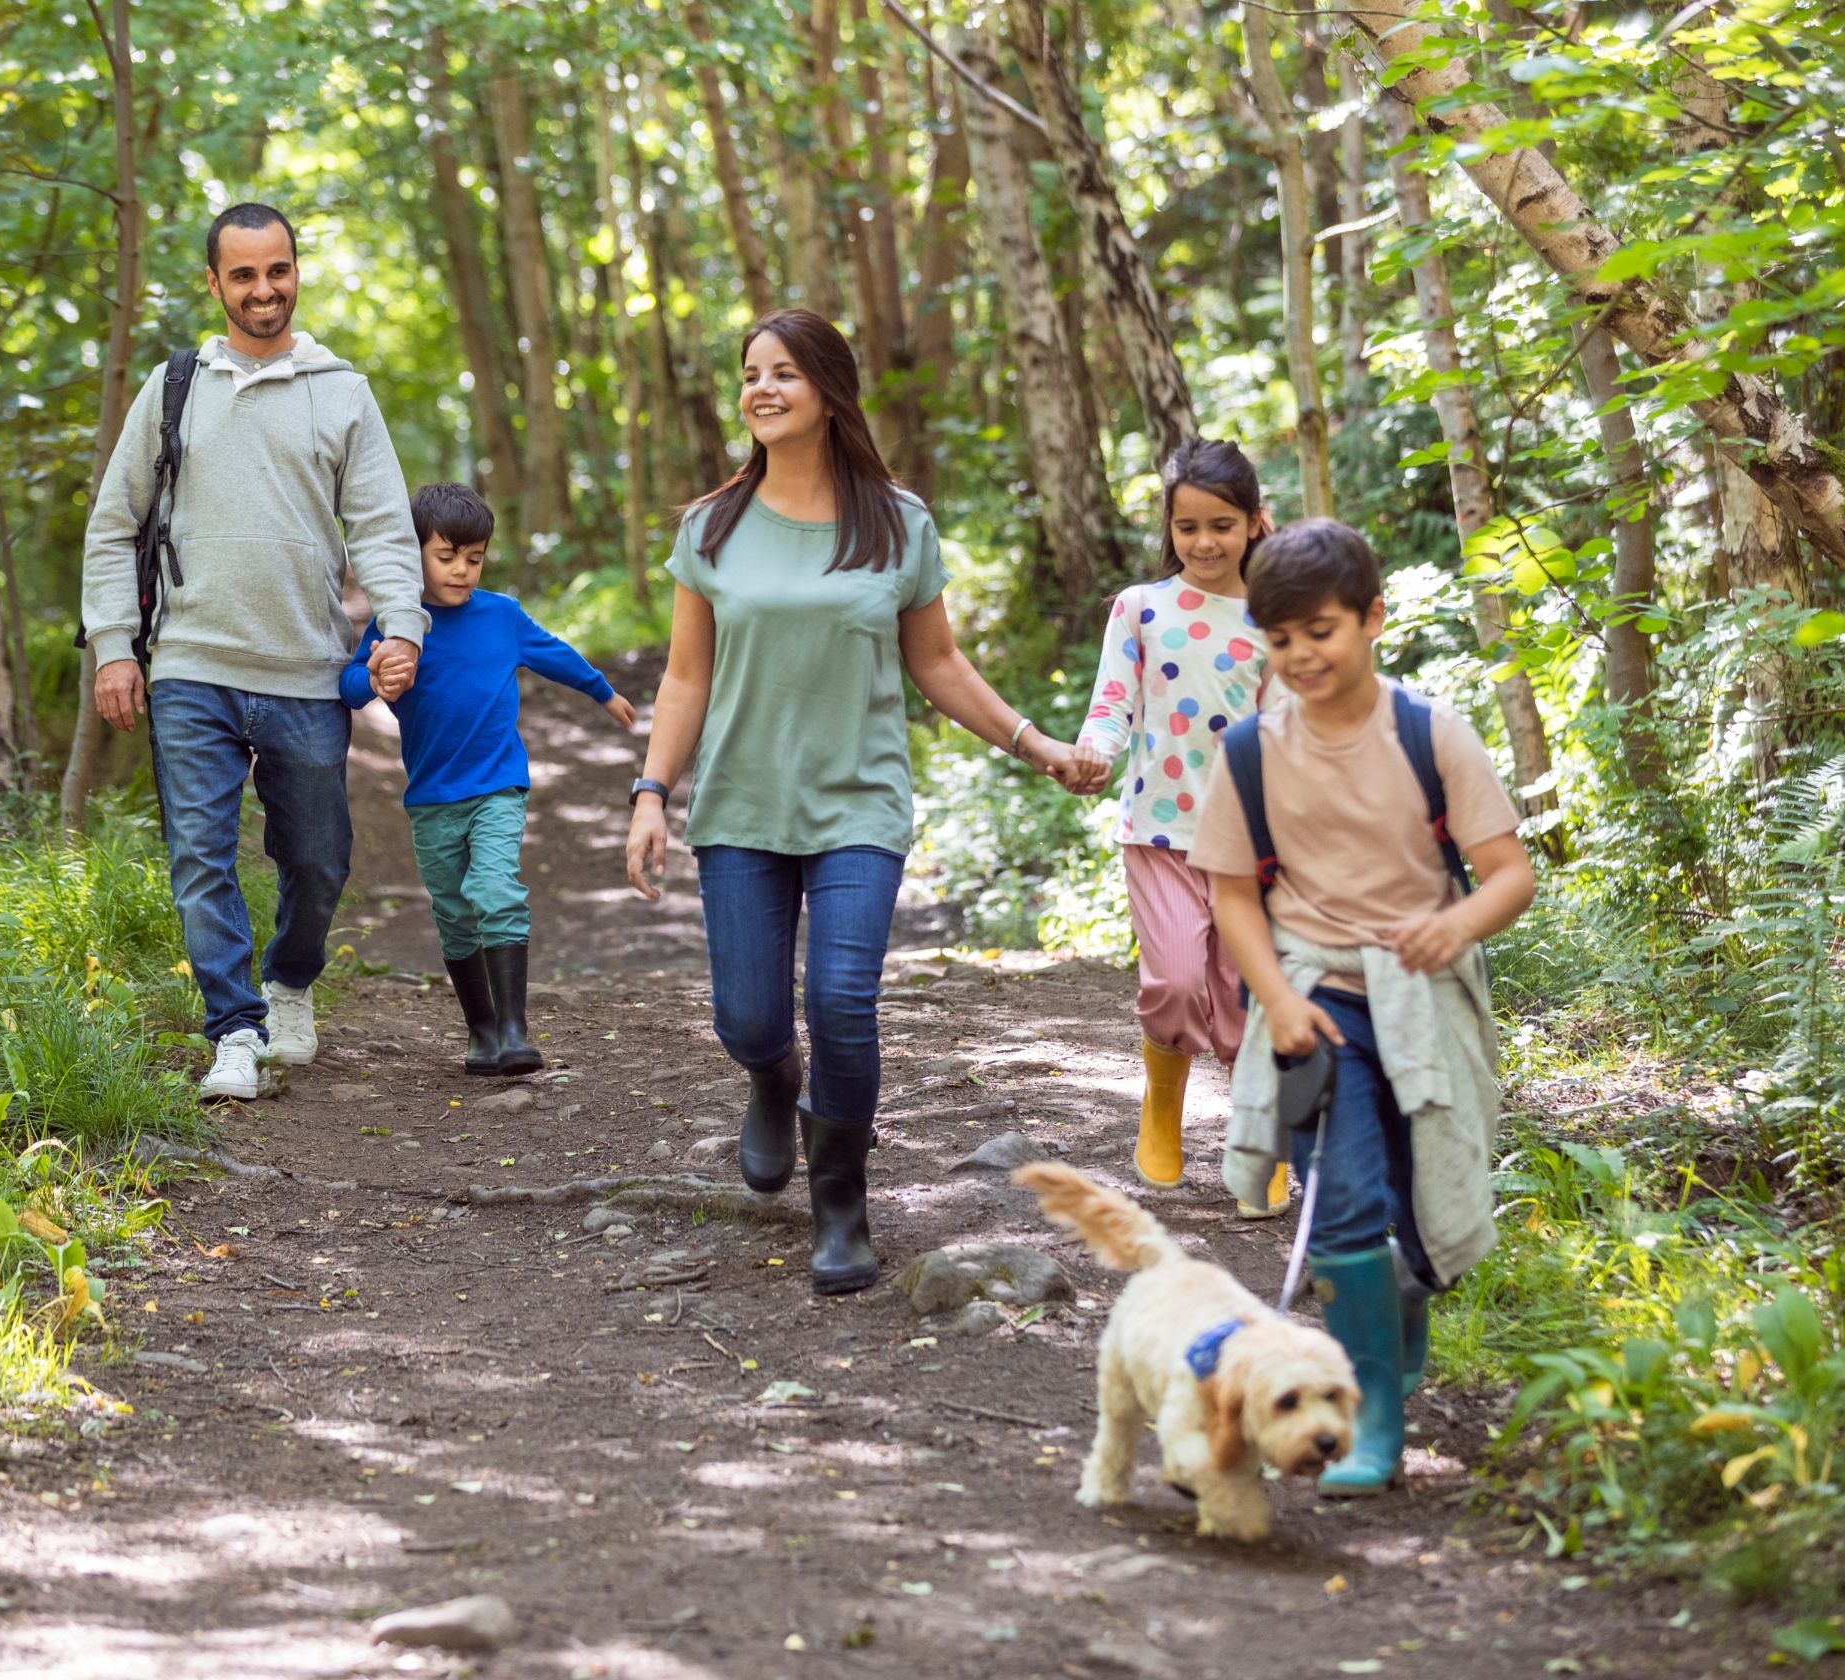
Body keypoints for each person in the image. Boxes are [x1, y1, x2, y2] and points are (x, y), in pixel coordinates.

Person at [624, 309, 1091, 1297]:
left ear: (829, 391)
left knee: (841, 1001)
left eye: (784, 373)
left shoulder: (897, 522)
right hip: (742, 805)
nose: (762, 390)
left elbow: (940, 664)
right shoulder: (712, 527)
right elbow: (686, 678)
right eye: (751, 373)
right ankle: (772, 1080)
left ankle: (840, 1201)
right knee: (750, 1019)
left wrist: (1035, 743)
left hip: (859, 806)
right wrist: (651, 791)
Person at [1190, 518, 1536, 1495]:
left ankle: (1405, 1296)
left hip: (1424, 998)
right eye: (1280, 637)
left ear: (1373, 619)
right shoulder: (1250, 753)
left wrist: (1454, 926)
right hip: (1316, 1000)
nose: (1301, 655)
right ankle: (1373, 1415)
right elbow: (1232, 896)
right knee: (1341, 1204)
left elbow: (1511, 874)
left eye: (1322, 631)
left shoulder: (1432, 733)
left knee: (1422, 1214)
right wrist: (1277, 1000)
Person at [81, 202, 429, 1101]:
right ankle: (233, 1029)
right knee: (200, 857)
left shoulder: (342, 391)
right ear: (215, 283)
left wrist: (402, 623)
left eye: (277, 270)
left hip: (304, 668)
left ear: (296, 272)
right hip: (189, 662)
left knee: (318, 857)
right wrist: (115, 646)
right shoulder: (174, 387)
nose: (263, 289)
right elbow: (114, 524)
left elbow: (383, 526)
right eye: (243, 274)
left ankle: (290, 982)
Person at [343, 483, 638, 1076]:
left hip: (498, 785)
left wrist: (603, 691)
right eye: (446, 556)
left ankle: (514, 1029)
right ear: (413, 554)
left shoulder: (501, 616)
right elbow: (349, 687)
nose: (461, 570)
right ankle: (481, 1031)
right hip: (431, 797)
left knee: (496, 890)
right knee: (454, 913)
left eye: (474, 558)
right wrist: (374, 678)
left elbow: (554, 652)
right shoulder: (397, 626)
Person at [1070, 440, 1290, 1219]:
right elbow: (1111, 701)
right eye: (1187, 526)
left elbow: (1285, 729)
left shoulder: (1275, 621)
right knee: (1174, 983)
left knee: (1244, 998)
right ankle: (1162, 1101)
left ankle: (1259, 1141)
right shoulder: (1141, 607)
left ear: (1255, 522)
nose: (1204, 542)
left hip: (1248, 845)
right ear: (1168, 526)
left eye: (1222, 525)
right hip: (1158, 831)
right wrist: (1094, 751)